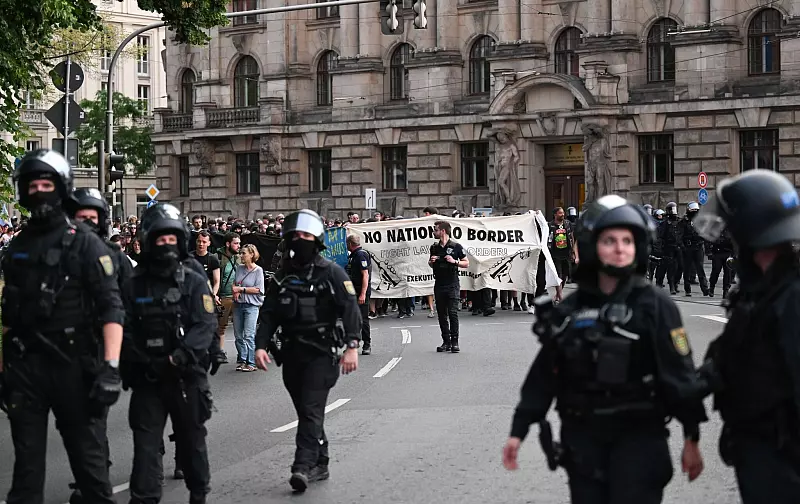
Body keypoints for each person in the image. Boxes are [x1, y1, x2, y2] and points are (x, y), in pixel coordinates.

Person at [503, 195, 707, 503]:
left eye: (627, 240)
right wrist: (518, 431)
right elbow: (545, 374)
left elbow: (680, 374)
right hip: (584, 441)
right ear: (591, 246)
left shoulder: (655, 305)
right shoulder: (572, 309)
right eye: (610, 240)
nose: (620, 248)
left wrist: (692, 437)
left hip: (640, 438)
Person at [0, 149, 125, 504]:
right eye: (32, 185)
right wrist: (3, 371)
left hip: (74, 367)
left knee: (89, 469)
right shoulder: (18, 246)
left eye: (46, 184)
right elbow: (8, 317)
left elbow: (111, 308)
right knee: (26, 475)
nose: (39, 191)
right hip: (26, 368)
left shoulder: (85, 242)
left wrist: (111, 367)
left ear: (61, 188)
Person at [694, 170, 800, 503]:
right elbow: (734, 353)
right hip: (760, 449)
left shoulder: (791, 297)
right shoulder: (763, 290)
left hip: (783, 456)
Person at [254, 209, 361, 493]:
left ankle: (301, 466)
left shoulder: (332, 273)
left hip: (322, 354)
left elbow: (350, 310)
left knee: (312, 409)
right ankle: (321, 460)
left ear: (316, 239)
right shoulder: (282, 277)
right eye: (295, 235)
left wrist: (352, 346)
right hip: (292, 355)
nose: (300, 239)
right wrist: (260, 345)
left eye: (305, 235)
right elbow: (269, 314)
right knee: (306, 411)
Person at [119, 203, 217, 504]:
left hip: (186, 377)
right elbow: (123, 328)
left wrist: (179, 358)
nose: (166, 244)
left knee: (192, 441)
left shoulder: (193, 279)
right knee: (146, 447)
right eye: (160, 238)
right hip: (148, 378)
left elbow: (205, 324)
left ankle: (198, 494)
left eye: (171, 238)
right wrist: (143, 361)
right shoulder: (134, 284)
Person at [63, 187, 135, 503]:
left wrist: (122, 357)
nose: (86, 224)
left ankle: (94, 482)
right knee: (72, 423)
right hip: (62, 351)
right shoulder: (58, 255)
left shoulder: (116, 258)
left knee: (92, 419)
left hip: (100, 348)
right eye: (80, 218)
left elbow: (130, 305)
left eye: (92, 218)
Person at [429, 220, 470, 352]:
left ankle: (455, 342)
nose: (433, 232)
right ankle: (446, 341)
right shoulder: (434, 247)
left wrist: (454, 261)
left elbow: (466, 263)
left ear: (443, 231)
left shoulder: (456, 246)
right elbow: (431, 264)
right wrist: (431, 262)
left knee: (452, 312)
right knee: (441, 314)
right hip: (439, 283)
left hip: (452, 283)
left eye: (435, 230)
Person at [232, 243, 265, 372]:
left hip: (251, 306)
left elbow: (258, 289)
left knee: (249, 335)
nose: (241, 255)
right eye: (240, 253)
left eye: (243, 253)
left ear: (252, 254)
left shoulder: (258, 270)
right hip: (238, 304)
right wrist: (235, 290)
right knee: (238, 335)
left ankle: (251, 363)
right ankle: (242, 360)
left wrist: (241, 289)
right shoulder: (239, 268)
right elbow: (235, 283)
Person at [347, 234, 372, 355]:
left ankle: (367, 344)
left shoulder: (360, 255)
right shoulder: (353, 255)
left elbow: (365, 275)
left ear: (350, 244)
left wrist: (362, 294)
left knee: (363, 318)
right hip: (352, 291)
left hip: (360, 291)